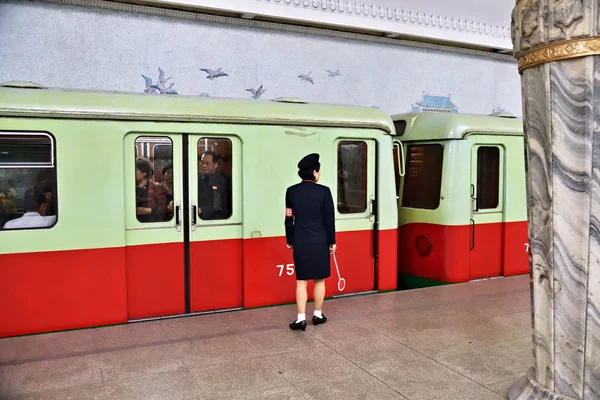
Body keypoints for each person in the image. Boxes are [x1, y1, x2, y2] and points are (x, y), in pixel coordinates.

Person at [284, 153, 336, 331]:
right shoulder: (324, 191)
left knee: (301, 281)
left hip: (300, 240)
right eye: (319, 171)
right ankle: (318, 315)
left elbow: (288, 217)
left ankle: (300, 319)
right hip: (320, 241)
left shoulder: (291, 191)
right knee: (320, 280)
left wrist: (290, 238)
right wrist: (332, 241)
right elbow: (329, 219)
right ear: (314, 172)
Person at [198, 151, 230, 220]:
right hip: (198, 219)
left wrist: (202, 210)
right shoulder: (196, 177)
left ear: (215, 165)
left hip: (215, 219)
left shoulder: (221, 180)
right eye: (202, 163)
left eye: (207, 163)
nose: (204, 166)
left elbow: (217, 205)